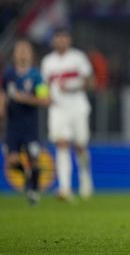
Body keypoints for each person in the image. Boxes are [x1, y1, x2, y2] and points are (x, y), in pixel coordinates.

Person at [41, 28, 94, 201]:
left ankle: (85, 177)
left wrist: (71, 86)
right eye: (58, 38)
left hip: (77, 106)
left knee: (80, 145)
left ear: (69, 40)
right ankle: (65, 188)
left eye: (64, 38)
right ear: (54, 41)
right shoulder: (47, 62)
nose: (61, 41)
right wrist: (45, 96)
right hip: (58, 108)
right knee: (61, 144)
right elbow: (43, 85)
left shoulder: (78, 58)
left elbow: (90, 81)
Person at [0, 39, 50, 205]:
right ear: (14, 54)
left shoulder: (36, 75)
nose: (21, 53)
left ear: (30, 54)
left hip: (30, 125)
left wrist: (25, 98)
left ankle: (34, 191)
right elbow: (2, 93)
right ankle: (27, 177)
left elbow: (44, 99)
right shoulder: (8, 74)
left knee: (33, 158)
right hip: (13, 125)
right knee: (12, 160)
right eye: (19, 49)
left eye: (25, 50)